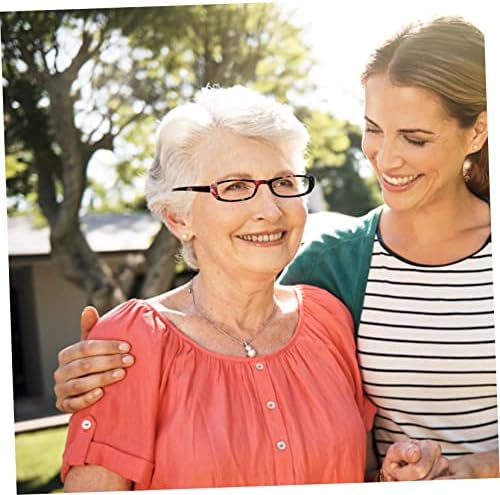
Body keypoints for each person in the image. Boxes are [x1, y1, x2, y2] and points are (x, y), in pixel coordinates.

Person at [55, 16, 498, 481]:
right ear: (177, 216)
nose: (385, 158)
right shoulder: (332, 266)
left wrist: (467, 472)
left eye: (415, 137)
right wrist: (91, 376)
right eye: (373, 129)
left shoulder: (323, 315)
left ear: (477, 131)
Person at [61, 84, 396, 491]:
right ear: (178, 219)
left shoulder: (329, 318)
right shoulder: (131, 343)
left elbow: (361, 475)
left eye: (284, 182)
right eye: (235, 187)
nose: (269, 210)